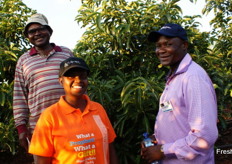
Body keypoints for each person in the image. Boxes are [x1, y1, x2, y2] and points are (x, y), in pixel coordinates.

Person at [141, 23, 218, 164]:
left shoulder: (193, 78)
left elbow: (204, 136)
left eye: (168, 44)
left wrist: (164, 150)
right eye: (158, 46)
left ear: (184, 45)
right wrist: (157, 137)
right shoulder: (175, 77)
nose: (161, 50)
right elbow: (174, 116)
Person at [29, 57, 119, 164]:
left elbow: (110, 147)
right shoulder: (49, 117)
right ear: (61, 81)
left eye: (83, 76)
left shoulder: (98, 109)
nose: (78, 80)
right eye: (71, 76)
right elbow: (41, 161)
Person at [13, 13, 74, 151]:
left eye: (41, 29)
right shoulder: (23, 61)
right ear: (28, 37)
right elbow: (19, 96)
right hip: (39, 127)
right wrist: (21, 128)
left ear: (49, 31)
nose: (37, 33)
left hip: (69, 123)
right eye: (32, 31)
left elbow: (78, 83)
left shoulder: (66, 53)